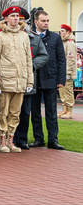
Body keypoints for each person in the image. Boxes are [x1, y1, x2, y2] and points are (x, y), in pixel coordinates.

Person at [0, 6, 33, 153]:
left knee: (15, 113)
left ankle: (11, 140)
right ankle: (1, 140)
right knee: (3, 111)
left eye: (17, 16)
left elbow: (29, 60)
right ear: (6, 18)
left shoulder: (24, 36)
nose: (15, 19)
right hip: (4, 80)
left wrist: (30, 81)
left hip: (20, 81)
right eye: (12, 16)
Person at [12, 8, 49, 150]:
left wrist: (31, 65)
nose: (18, 21)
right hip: (10, 80)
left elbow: (44, 56)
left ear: (26, 21)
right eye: (16, 17)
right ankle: (8, 138)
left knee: (25, 112)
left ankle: (21, 139)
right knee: (9, 111)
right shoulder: (4, 35)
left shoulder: (34, 37)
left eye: (21, 19)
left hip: (27, 79)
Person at [30, 10, 66, 150]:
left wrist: (61, 79)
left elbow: (61, 60)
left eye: (47, 21)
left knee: (51, 111)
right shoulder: (29, 37)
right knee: (35, 111)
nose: (46, 23)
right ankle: (38, 138)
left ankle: (53, 140)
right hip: (34, 79)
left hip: (50, 78)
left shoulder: (55, 38)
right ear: (36, 22)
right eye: (43, 21)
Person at [58, 24, 77, 119]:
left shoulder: (70, 43)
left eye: (63, 31)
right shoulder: (64, 42)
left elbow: (71, 59)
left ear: (68, 32)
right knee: (63, 91)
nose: (61, 33)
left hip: (67, 72)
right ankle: (65, 110)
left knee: (68, 91)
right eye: (61, 31)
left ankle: (69, 111)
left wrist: (68, 73)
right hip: (62, 72)